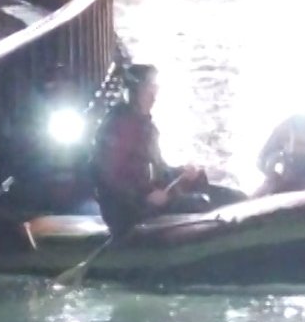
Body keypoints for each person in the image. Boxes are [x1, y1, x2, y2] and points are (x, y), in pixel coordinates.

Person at [93, 64, 245, 234]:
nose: (154, 95)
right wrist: (143, 197)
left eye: (155, 88)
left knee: (231, 196)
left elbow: (159, 172)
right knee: (200, 203)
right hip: (128, 211)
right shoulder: (118, 127)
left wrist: (184, 175)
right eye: (150, 88)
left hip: (147, 200)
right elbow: (109, 178)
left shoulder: (145, 127)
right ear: (136, 91)